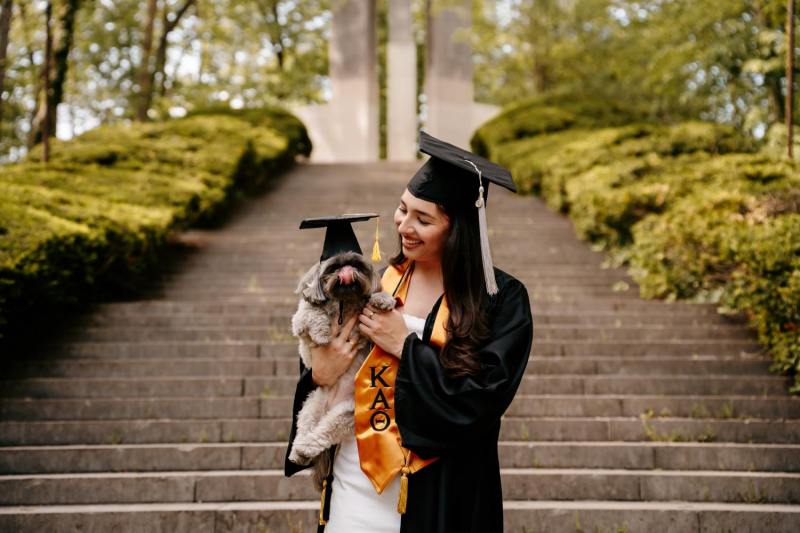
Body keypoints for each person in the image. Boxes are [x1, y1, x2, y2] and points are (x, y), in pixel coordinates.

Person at [285, 131, 534, 533]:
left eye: (424, 219)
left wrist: (405, 344)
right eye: (402, 210)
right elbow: (325, 368)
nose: (404, 226)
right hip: (354, 479)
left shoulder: (499, 300)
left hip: (439, 492)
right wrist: (318, 372)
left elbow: (479, 404)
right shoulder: (377, 284)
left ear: (459, 228)